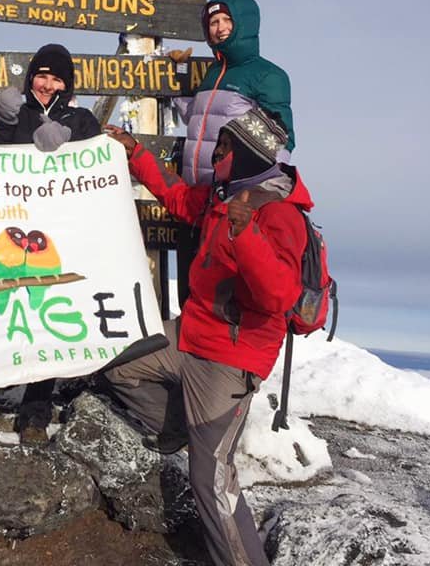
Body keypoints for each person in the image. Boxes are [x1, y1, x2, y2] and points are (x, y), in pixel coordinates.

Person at [103, 107, 311, 566]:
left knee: (210, 478)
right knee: (119, 362)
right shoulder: (223, 196)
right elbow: (177, 197)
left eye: (225, 149)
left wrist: (244, 233)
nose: (216, 154)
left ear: (245, 157)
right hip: (191, 332)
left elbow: (277, 296)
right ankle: (176, 426)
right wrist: (137, 153)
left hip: (231, 357)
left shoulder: (280, 214)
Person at [0, 43, 101, 445]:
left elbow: (98, 169)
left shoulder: (83, 119)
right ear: (31, 76)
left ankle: (34, 411)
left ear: (68, 86)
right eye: (43, 75)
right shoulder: (16, 111)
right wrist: (4, 119)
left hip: (54, 235)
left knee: (43, 316)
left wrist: (73, 143)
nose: (48, 85)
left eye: (57, 79)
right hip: (8, 226)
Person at [172, 0, 295, 307]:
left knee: (225, 299)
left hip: (233, 204)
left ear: (245, 24)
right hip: (197, 200)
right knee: (191, 293)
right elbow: (200, 118)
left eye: (228, 20)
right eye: (213, 21)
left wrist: (257, 198)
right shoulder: (213, 74)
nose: (220, 27)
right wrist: (178, 74)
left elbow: (281, 141)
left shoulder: (267, 76)